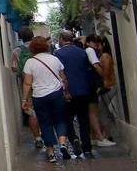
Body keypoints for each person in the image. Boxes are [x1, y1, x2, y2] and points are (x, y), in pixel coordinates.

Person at [21, 35, 73, 162]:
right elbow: (64, 78)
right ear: (46, 45)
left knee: (45, 123)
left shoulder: (30, 62)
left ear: (32, 47)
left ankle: (51, 153)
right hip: (56, 94)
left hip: (39, 96)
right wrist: (66, 93)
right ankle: (62, 143)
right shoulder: (55, 59)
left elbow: (27, 83)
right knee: (60, 120)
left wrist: (24, 99)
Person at [54, 30, 99, 158]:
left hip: (68, 91)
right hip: (84, 90)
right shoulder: (82, 52)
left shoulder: (58, 54)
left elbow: (59, 74)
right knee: (84, 119)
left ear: (61, 39)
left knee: (67, 119)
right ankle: (87, 147)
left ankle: (73, 138)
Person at [87, 35, 118, 147]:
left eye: (98, 43)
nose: (96, 45)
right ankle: (104, 135)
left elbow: (105, 72)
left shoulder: (104, 56)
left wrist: (102, 82)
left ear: (103, 44)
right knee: (101, 111)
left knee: (102, 111)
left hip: (108, 86)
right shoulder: (103, 55)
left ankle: (107, 135)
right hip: (109, 85)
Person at [14, 27, 41, 144]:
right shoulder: (39, 48)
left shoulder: (18, 50)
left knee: (31, 111)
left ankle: (38, 138)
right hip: (42, 82)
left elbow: (14, 67)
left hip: (27, 84)